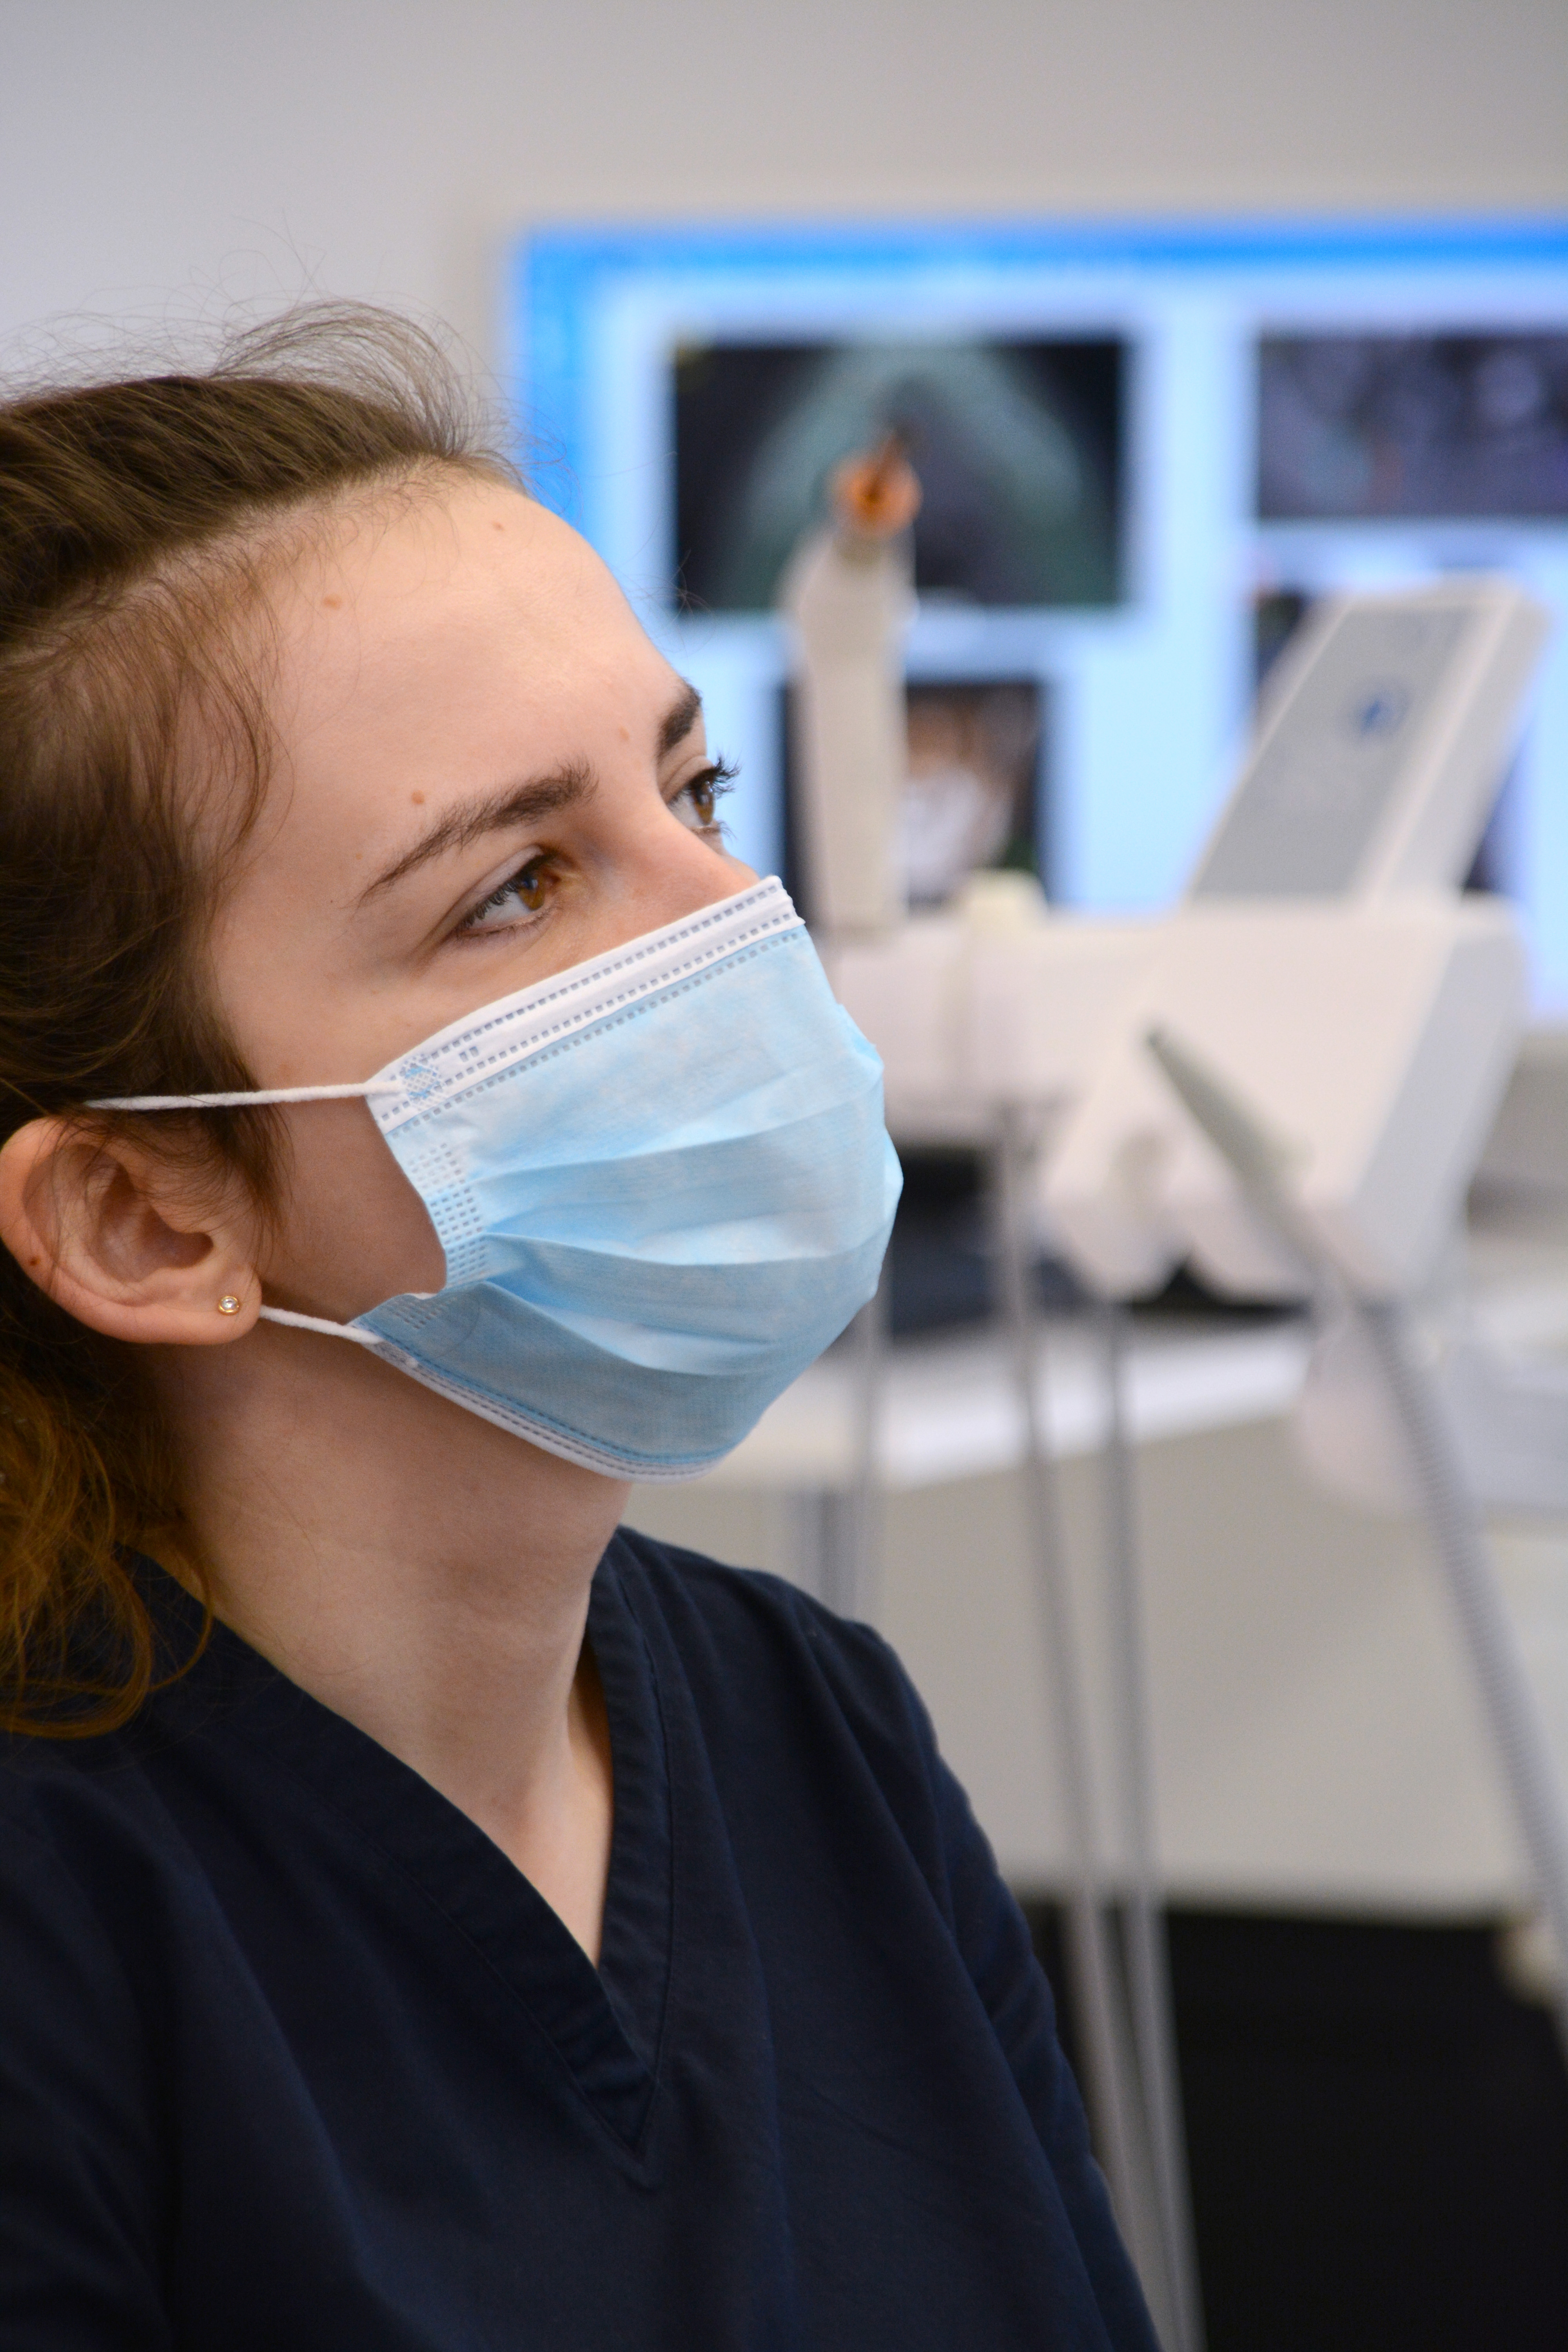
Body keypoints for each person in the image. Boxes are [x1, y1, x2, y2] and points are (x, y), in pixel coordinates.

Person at [0, 308, 1159, 2351]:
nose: (739, 922)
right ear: (141, 1217)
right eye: (518, 888)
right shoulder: (65, 1934)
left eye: (695, 789)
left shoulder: (817, 1731)